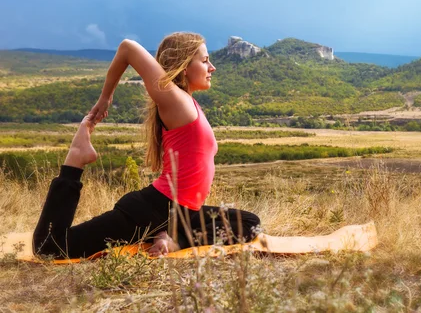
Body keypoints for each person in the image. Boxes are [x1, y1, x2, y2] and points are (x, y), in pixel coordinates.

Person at [32, 33, 261, 258]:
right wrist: (105, 98)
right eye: (204, 61)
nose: (212, 67)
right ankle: (76, 156)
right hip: (153, 210)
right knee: (50, 247)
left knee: (250, 224)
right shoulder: (176, 100)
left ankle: (172, 237)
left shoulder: (188, 103)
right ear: (183, 66)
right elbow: (127, 47)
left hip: (182, 213)